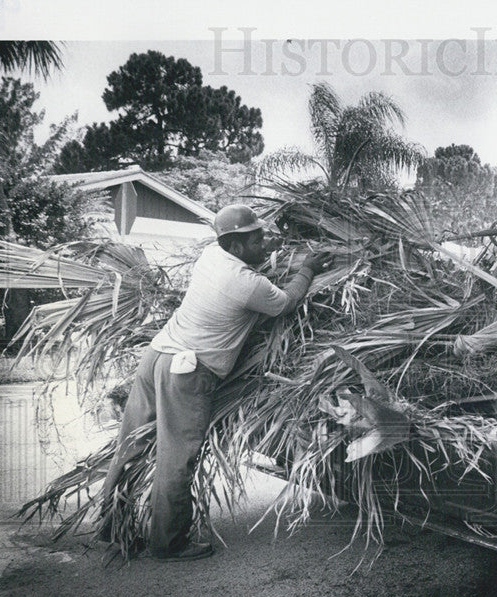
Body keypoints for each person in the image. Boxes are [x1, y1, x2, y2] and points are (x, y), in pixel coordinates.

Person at [99, 204, 332, 561]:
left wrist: (271, 248)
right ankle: (169, 543)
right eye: (257, 241)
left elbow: (254, 265)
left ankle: (111, 524)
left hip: (156, 356)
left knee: (130, 442)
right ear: (235, 246)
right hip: (187, 373)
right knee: (177, 457)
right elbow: (286, 302)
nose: (264, 244)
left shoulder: (211, 255)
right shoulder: (245, 283)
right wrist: (307, 268)